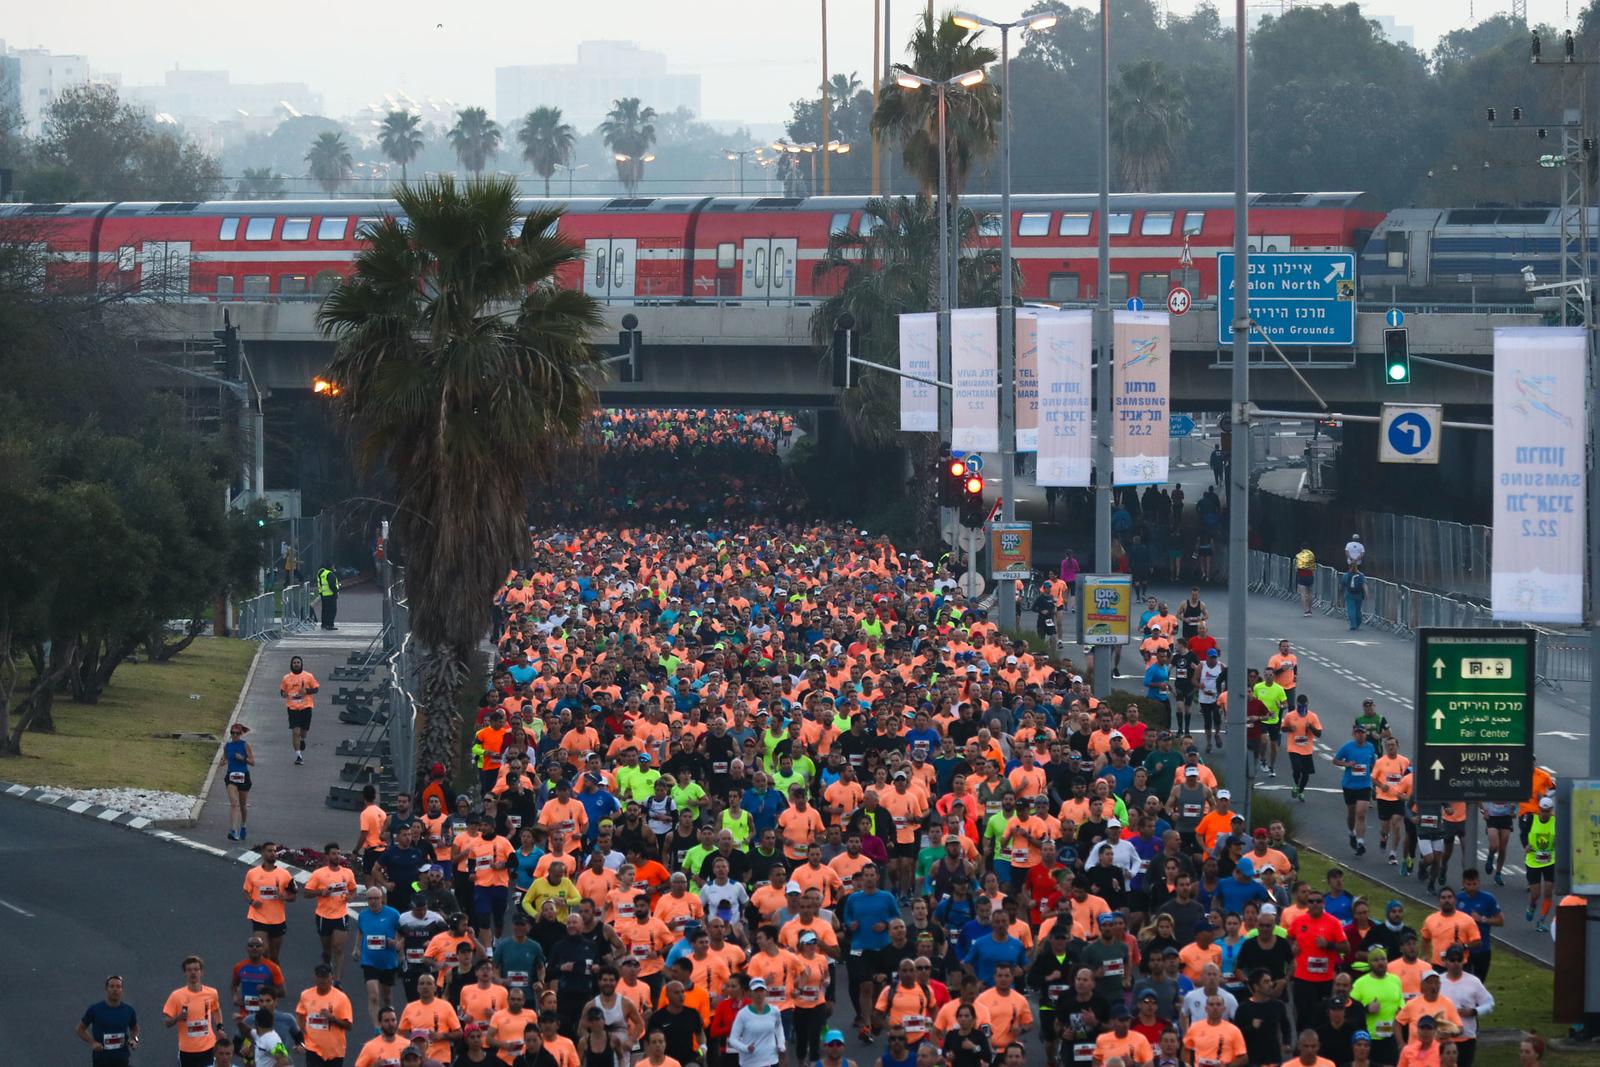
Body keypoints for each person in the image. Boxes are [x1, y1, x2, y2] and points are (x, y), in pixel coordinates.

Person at [304, 843, 359, 984]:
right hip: (323, 916)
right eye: (334, 854)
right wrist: (321, 892)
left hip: (341, 915)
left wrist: (350, 897)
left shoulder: (347, 873)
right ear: (327, 856)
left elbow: (353, 889)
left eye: (338, 853)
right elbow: (306, 893)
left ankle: (337, 980)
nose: (337, 856)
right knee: (327, 950)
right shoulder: (319, 874)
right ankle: (327, 964)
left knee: (338, 948)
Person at [163, 956, 224, 1067]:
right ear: (185, 973)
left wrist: (220, 1028)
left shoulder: (212, 993)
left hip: (208, 1048)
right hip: (187, 1051)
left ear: (201, 972)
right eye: (189, 970)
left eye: (196, 969)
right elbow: (167, 1022)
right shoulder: (176, 996)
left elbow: (216, 1010)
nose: (193, 973)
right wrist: (178, 1017)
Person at [242, 842, 296, 964]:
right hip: (259, 917)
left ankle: (276, 975)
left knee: (274, 956)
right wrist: (252, 901)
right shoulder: (252, 873)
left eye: (274, 851)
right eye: (269, 851)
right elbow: (245, 891)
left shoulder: (285, 874)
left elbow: (293, 896)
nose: (273, 854)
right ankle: (263, 975)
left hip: (277, 919)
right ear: (263, 853)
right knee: (264, 951)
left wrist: (284, 897)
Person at [294, 962, 355, 1067]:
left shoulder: (341, 998)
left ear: (331, 978)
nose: (322, 980)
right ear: (315, 978)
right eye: (319, 977)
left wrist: (333, 1019)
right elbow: (300, 1016)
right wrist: (303, 1039)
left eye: (325, 977)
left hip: (335, 1051)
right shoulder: (306, 995)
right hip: (313, 1049)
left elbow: (349, 1026)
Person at [78, 974, 139, 1065]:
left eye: (118, 987)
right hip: (101, 1061)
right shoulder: (95, 1010)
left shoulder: (129, 1010)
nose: (115, 989)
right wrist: (93, 1043)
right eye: (112, 986)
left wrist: (134, 1040)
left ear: (122, 990)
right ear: (107, 989)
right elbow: (80, 1029)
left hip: (122, 1060)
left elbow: (135, 1029)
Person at [1333, 725, 1376, 856]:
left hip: (1365, 785)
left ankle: (1360, 842)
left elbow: (1373, 763)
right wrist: (1346, 764)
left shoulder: (1370, 747)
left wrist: (1374, 779)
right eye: (1357, 733)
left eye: (1362, 733)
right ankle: (1351, 833)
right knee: (1351, 814)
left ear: (1365, 734)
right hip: (1349, 785)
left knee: (1361, 813)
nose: (1360, 735)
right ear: (1354, 734)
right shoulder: (1347, 747)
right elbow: (1335, 760)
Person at [730, 977, 786, 1067]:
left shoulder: (775, 1011)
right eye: (756, 991)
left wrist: (781, 1044)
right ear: (750, 993)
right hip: (750, 1062)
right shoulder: (743, 1014)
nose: (759, 994)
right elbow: (733, 1039)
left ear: (766, 992)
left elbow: (779, 1028)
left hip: (771, 1060)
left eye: (761, 990)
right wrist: (745, 1048)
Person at [1524, 794, 1557, 932]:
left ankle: (1542, 920)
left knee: (1548, 892)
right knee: (1536, 894)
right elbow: (1523, 833)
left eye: (1547, 811)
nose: (1545, 814)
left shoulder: (1555, 821)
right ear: (1539, 809)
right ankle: (1532, 905)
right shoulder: (1532, 818)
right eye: (1543, 811)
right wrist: (1526, 846)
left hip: (1550, 860)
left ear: (1551, 810)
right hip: (1533, 861)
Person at [279, 655, 319, 766]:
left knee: (303, 731)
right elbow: (282, 691)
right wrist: (284, 694)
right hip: (292, 708)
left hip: (306, 706)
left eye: (298, 662)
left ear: (301, 664)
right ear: (291, 665)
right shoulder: (286, 678)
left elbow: (316, 689)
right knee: (295, 732)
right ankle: (298, 756)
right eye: (294, 663)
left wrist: (307, 691)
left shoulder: (308, 676)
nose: (296, 664)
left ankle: (302, 739)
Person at [223, 722, 255, 841]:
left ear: (240, 734)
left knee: (242, 805)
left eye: (237, 733)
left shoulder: (245, 745)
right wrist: (223, 762)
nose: (235, 735)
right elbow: (225, 758)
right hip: (231, 776)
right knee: (233, 803)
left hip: (243, 776)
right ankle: (233, 831)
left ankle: (243, 825)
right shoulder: (227, 746)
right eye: (233, 733)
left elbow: (253, 762)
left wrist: (243, 758)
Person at [1341, 563, 1366, 631]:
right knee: (1358, 609)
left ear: (1349, 567)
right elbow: (1364, 585)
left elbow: (1342, 585)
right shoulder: (1361, 575)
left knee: (1351, 609)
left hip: (1349, 594)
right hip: (1359, 595)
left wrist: (1341, 594)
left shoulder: (1346, 575)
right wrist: (1367, 594)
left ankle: (1353, 625)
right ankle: (1358, 623)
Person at [1294, 548, 1317, 616]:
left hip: (1301, 576)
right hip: (1310, 576)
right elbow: (1313, 568)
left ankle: (1306, 611)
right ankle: (1310, 610)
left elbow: (1296, 568)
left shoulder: (1299, 556)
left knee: (1303, 594)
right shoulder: (1311, 556)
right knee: (1310, 593)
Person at [318, 563, 340, 630]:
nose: (334, 568)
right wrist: (336, 591)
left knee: (325, 610)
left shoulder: (322, 573)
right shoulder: (330, 574)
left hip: (324, 594)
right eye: (333, 567)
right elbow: (331, 585)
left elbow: (321, 584)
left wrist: (321, 593)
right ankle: (330, 625)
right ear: (330, 567)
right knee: (332, 610)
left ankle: (324, 624)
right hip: (331, 594)